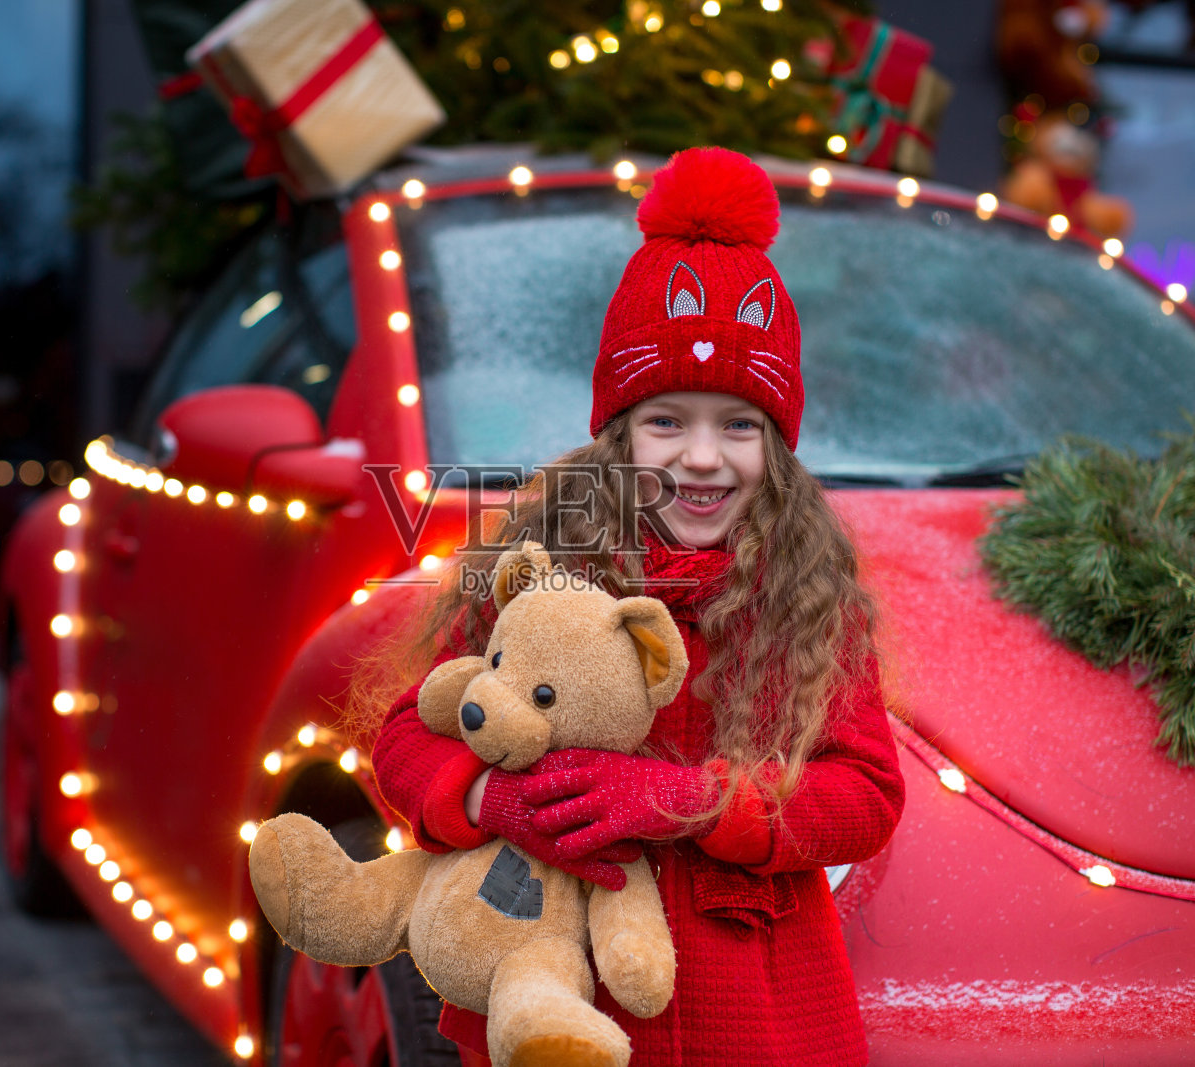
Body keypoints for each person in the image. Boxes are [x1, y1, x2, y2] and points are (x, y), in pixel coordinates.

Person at [365, 146, 905, 1066]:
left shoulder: (808, 591)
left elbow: (865, 794)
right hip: (558, 987)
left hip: (756, 1007)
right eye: (668, 420)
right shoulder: (540, 559)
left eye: (739, 425)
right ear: (618, 433)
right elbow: (407, 736)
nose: (703, 457)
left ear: (776, 447)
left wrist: (693, 800)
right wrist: (491, 795)